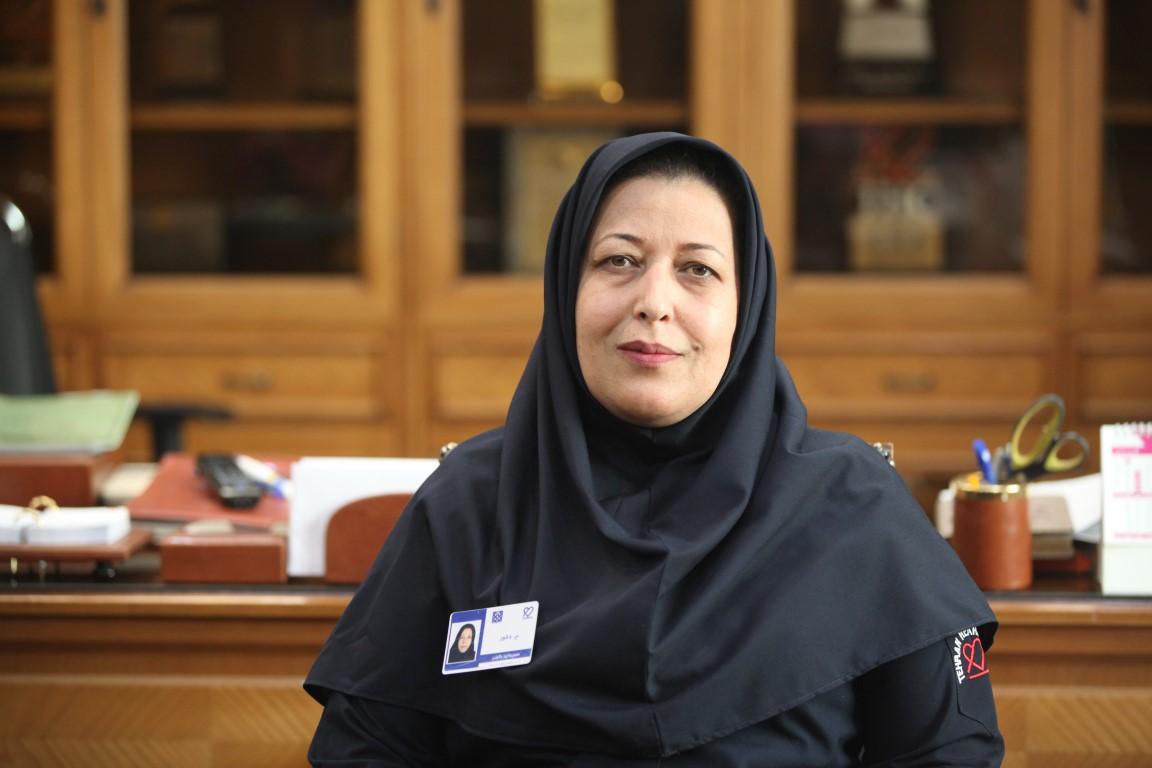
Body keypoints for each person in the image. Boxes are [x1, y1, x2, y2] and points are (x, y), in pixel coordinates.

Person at [305, 133, 1004, 766]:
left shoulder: (854, 507)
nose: (654, 301)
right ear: (566, 286)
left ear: (748, 305)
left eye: (697, 269)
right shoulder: (469, 502)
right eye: (619, 261)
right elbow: (363, 750)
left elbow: (949, 754)